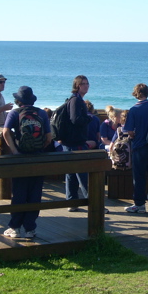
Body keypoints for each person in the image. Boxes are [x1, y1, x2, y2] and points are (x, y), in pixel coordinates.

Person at [2, 86, 52, 238]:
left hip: (21, 158)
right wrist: (39, 148)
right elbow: (49, 137)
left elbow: (5, 132)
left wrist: (15, 151)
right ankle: (30, 229)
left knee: (19, 192)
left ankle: (15, 227)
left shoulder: (14, 113)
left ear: (18, 100)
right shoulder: (42, 113)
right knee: (35, 193)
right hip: (38, 158)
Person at [122, 83, 148, 213]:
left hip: (140, 146)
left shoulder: (134, 110)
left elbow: (130, 131)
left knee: (139, 176)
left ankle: (139, 204)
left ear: (136, 94)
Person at [61, 75, 91, 211]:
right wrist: (88, 118)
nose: (86, 86)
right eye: (83, 84)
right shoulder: (75, 100)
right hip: (75, 141)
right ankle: (92, 202)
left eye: (87, 83)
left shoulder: (78, 100)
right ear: (77, 86)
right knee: (81, 171)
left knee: (72, 172)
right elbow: (75, 119)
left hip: (72, 141)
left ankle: (72, 202)